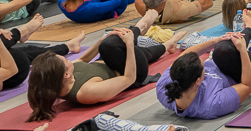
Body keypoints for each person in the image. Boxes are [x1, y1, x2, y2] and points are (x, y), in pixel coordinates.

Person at [25, 27, 176, 121]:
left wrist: (102, 38)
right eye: (66, 60)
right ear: (65, 75)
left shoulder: (59, 80)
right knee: (111, 44)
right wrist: (130, 43)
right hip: (133, 72)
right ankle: (141, 27)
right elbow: (129, 78)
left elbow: (83, 59)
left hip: (109, 59)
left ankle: (166, 44)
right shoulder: (86, 91)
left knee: (108, 43)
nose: (69, 60)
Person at [158, 32, 251, 120]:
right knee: (226, 48)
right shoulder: (212, 105)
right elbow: (248, 85)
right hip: (235, 73)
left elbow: (184, 56)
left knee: (222, 46)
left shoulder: (164, 86)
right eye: (203, 67)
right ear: (198, 81)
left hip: (219, 59)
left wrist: (216, 40)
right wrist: (242, 50)